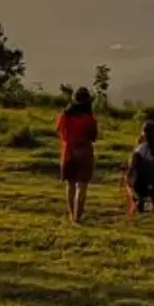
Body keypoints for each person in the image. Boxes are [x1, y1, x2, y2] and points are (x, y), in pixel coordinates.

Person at [56, 86, 98, 224]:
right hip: (84, 152)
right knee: (82, 186)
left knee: (70, 185)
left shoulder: (65, 115)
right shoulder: (89, 119)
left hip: (68, 151)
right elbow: (93, 136)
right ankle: (77, 217)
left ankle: (70, 214)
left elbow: (59, 131)